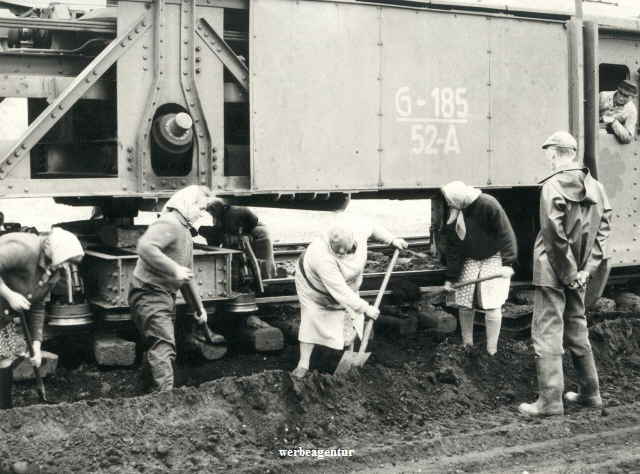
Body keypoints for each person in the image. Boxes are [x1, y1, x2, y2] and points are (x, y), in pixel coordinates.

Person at [519, 131, 611, 417]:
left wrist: (568, 272)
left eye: (548, 153)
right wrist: (585, 270)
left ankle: (550, 400)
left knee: (547, 332)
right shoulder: (597, 187)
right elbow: (603, 232)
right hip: (581, 271)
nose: (548, 159)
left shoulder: (553, 186)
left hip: (552, 271)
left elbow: (553, 235)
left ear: (556, 153)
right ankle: (590, 393)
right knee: (577, 327)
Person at [292, 217, 408, 378]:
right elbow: (340, 291)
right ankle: (303, 364)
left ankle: (347, 354)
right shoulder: (321, 257)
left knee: (349, 316)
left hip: (348, 285)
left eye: (345, 250)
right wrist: (366, 308)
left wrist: (392, 239)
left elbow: (373, 227)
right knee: (311, 317)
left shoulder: (358, 228)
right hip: (314, 288)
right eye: (337, 251)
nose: (341, 254)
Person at [129, 185, 213, 392]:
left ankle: (146, 393)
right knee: (164, 345)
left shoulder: (184, 231)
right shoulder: (170, 222)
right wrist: (173, 268)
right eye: (201, 208)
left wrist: (198, 308)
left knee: (159, 343)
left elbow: (187, 274)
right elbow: (145, 246)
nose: (203, 214)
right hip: (149, 293)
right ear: (188, 204)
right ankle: (165, 400)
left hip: (162, 295)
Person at [0, 227, 84, 409]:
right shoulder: (23, 248)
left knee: (4, 357)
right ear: (48, 248)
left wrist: (36, 346)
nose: (64, 268)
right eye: (63, 262)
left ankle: (4, 413)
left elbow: (37, 306)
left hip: (2, 314)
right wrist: (9, 295)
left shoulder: (52, 270)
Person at [440, 181, 517, 356]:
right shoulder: (455, 213)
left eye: (451, 201)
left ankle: (492, 349)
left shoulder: (488, 204)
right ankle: (467, 344)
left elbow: (506, 234)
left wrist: (508, 264)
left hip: (494, 256)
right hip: (471, 257)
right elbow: (454, 248)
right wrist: (450, 279)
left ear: (460, 198)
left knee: (492, 303)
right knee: (465, 302)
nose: (449, 204)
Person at [199, 200, 276, 279]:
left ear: (216, 209)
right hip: (247, 231)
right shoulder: (223, 212)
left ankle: (267, 279)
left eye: (212, 213)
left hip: (259, 234)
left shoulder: (231, 214)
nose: (212, 215)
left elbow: (251, 222)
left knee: (264, 259)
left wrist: (245, 233)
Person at [599, 79, 638, 144]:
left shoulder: (632, 111)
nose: (621, 98)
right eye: (620, 93)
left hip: (611, 140)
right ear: (617, 89)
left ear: (633, 98)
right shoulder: (603, 96)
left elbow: (628, 138)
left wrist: (613, 122)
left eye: (626, 96)